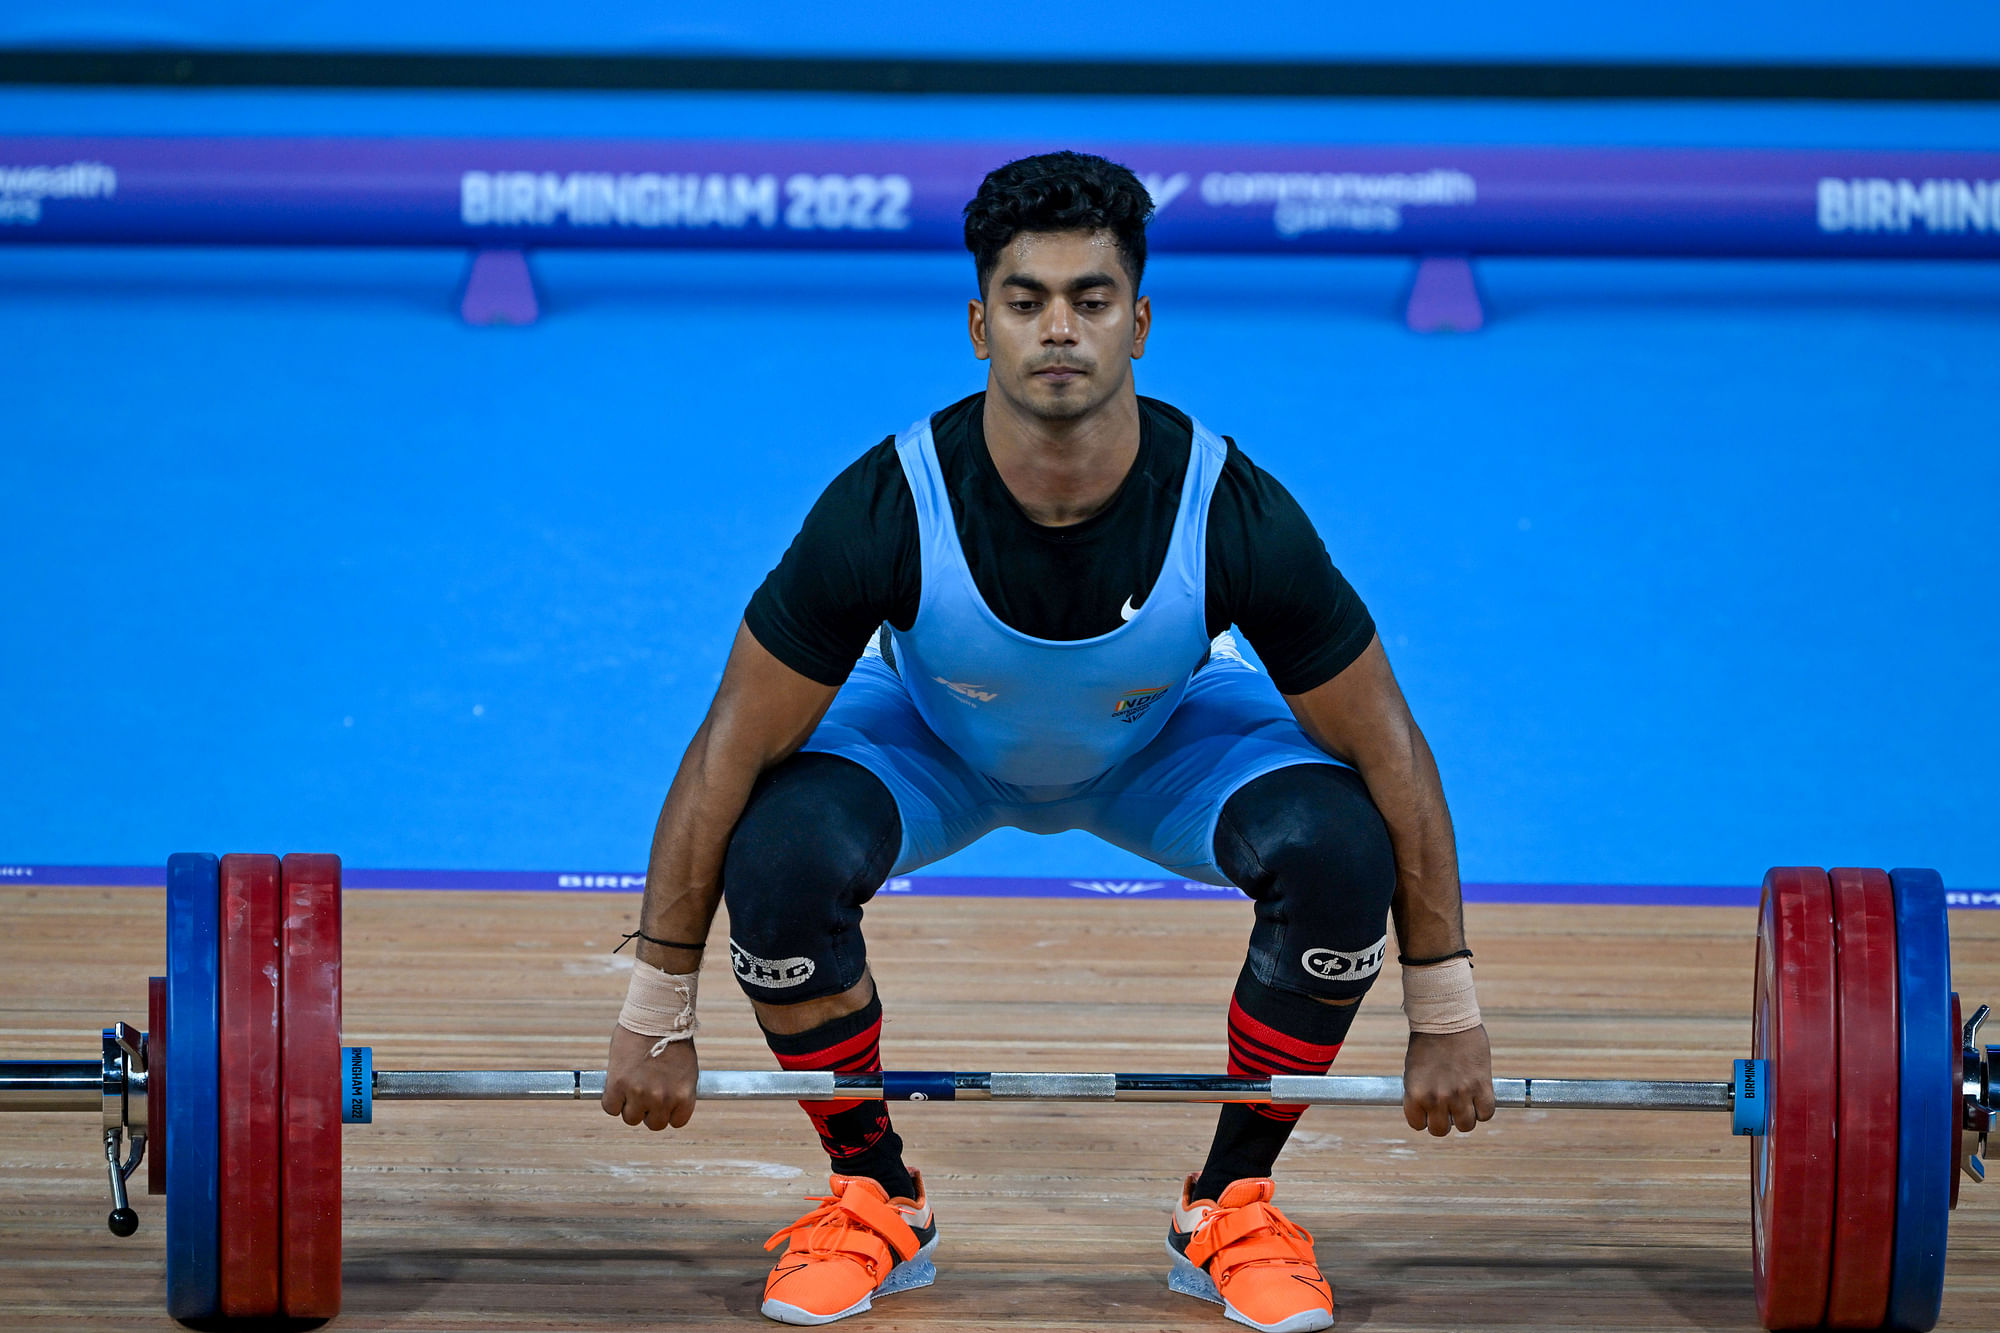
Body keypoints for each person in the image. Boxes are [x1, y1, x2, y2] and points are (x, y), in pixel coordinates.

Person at [600, 150, 1495, 1331]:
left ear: (1139, 323)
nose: (1057, 330)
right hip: (934, 744)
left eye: (1090, 299)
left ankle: (1231, 1201)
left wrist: (1445, 1006)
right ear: (980, 324)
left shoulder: (1229, 511)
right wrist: (657, 1002)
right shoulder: (884, 506)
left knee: (1339, 844)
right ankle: (873, 1192)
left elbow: (1389, 751)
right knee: (776, 850)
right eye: (1026, 301)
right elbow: (727, 746)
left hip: (1162, 746)